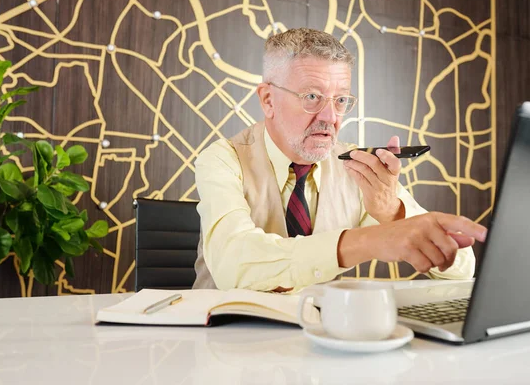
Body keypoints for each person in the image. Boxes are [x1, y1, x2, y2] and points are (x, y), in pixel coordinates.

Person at [193, 28, 487, 292]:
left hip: (315, 340)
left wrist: (392, 213)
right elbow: (234, 267)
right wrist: (369, 240)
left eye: (341, 100)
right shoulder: (222, 160)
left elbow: (461, 270)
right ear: (268, 100)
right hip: (221, 339)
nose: (330, 118)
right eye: (312, 96)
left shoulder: (357, 167)